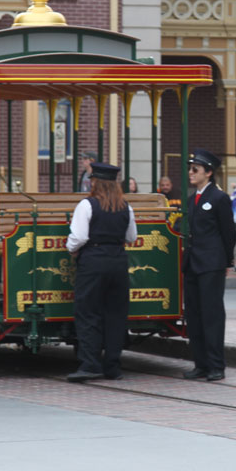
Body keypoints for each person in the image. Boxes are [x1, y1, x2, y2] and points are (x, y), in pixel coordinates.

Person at [66, 162, 138, 382]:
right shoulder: (126, 206)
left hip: (93, 261)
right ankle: (113, 366)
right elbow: (132, 237)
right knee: (115, 314)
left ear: (95, 182)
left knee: (88, 312)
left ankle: (90, 364)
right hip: (118, 260)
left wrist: (70, 249)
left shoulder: (87, 205)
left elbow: (78, 237)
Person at [182, 149, 236, 381]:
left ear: (209, 172)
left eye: (195, 169)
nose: (190, 173)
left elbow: (228, 232)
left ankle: (216, 365)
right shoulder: (192, 198)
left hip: (211, 263)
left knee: (211, 314)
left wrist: (226, 260)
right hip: (193, 262)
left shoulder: (219, 198)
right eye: (190, 169)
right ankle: (201, 363)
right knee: (194, 314)